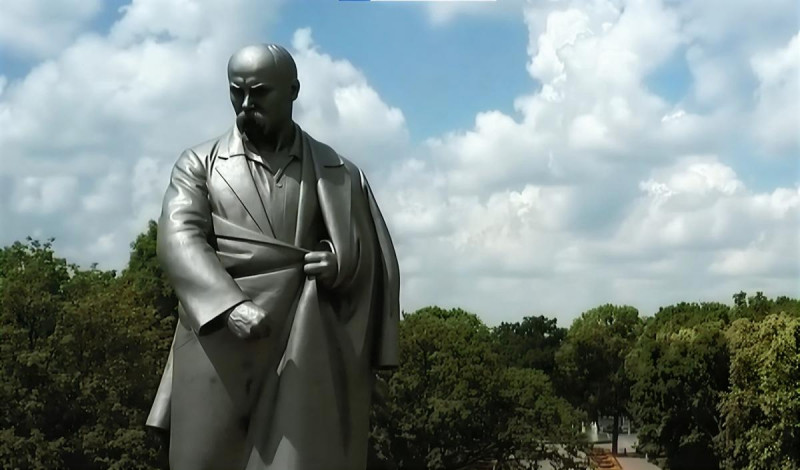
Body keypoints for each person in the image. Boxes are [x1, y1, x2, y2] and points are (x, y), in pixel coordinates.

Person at [145, 43, 400, 470]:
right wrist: (229, 305)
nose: (246, 104)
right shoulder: (199, 164)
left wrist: (338, 264)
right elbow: (178, 236)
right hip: (220, 347)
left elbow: (372, 255)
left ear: (293, 91)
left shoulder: (339, 173)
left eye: (260, 92)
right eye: (237, 92)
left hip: (306, 348)